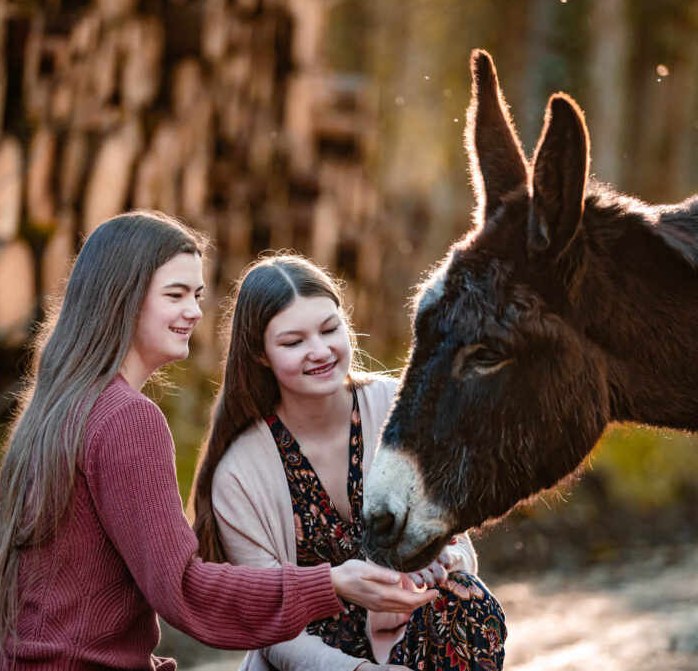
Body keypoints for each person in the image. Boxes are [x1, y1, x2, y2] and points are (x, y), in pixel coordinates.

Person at [0, 212, 439, 671]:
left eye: (198, 295)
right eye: (176, 294)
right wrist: (332, 582)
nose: (193, 312)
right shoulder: (125, 420)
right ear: (124, 296)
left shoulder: (59, 406)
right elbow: (184, 589)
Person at [191, 254, 506, 671]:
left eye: (329, 329)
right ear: (261, 354)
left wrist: (439, 561)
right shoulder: (239, 473)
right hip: (309, 660)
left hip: (411, 631)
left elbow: (459, 546)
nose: (319, 351)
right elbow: (269, 622)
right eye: (293, 342)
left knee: (469, 602)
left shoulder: (401, 408)